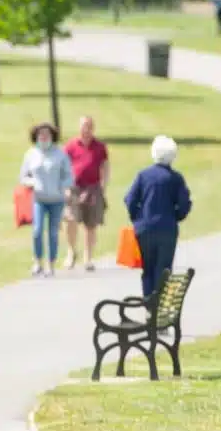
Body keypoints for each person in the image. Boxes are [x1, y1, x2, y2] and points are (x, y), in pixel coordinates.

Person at [124, 136, 193, 297]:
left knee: (148, 268)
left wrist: (137, 218)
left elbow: (130, 199)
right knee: (164, 269)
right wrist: (176, 217)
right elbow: (184, 204)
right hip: (167, 229)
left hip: (145, 228)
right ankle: (160, 302)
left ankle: (149, 301)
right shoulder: (175, 178)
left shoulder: (143, 175)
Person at [20, 122, 73, 276]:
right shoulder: (31, 154)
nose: (43, 137)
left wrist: (64, 187)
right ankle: (38, 262)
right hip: (39, 199)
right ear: (36, 137)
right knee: (37, 231)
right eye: (40, 134)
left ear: (52, 136)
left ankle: (51, 264)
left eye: (46, 134)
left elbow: (68, 176)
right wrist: (32, 183)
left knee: (53, 233)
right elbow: (23, 177)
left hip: (57, 199)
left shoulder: (60, 154)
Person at [63, 116, 110, 271]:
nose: (86, 129)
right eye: (84, 126)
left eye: (89, 126)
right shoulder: (71, 146)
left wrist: (103, 186)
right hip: (74, 188)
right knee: (70, 219)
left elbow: (105, 167)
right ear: (79, 127)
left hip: (93, 188)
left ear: (93, 128)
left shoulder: (100, 147)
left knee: (91, 224)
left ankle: (88, 258)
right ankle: (71, 252)